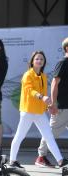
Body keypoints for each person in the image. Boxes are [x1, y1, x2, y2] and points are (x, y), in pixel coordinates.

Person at [9, 51, 68, 169]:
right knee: (20, 136)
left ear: (44, 62)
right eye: (37, 59)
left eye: (41, 59)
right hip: (28, 111)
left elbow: (44, 94)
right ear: (32, 61)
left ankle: (60, 160)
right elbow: (30, 91)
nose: (39, 61)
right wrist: (42, 97)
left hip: (39, 112)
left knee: (49, 136)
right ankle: (12, 160)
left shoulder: (44, 76)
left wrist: (49, 106)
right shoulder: (27, 75)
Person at [36, 37, 68, 167]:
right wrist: (53, 104)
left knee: (50, 133)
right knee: (50, 133)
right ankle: (41, 156)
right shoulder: (63, 63)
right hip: (61, 106)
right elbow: (55, 83)